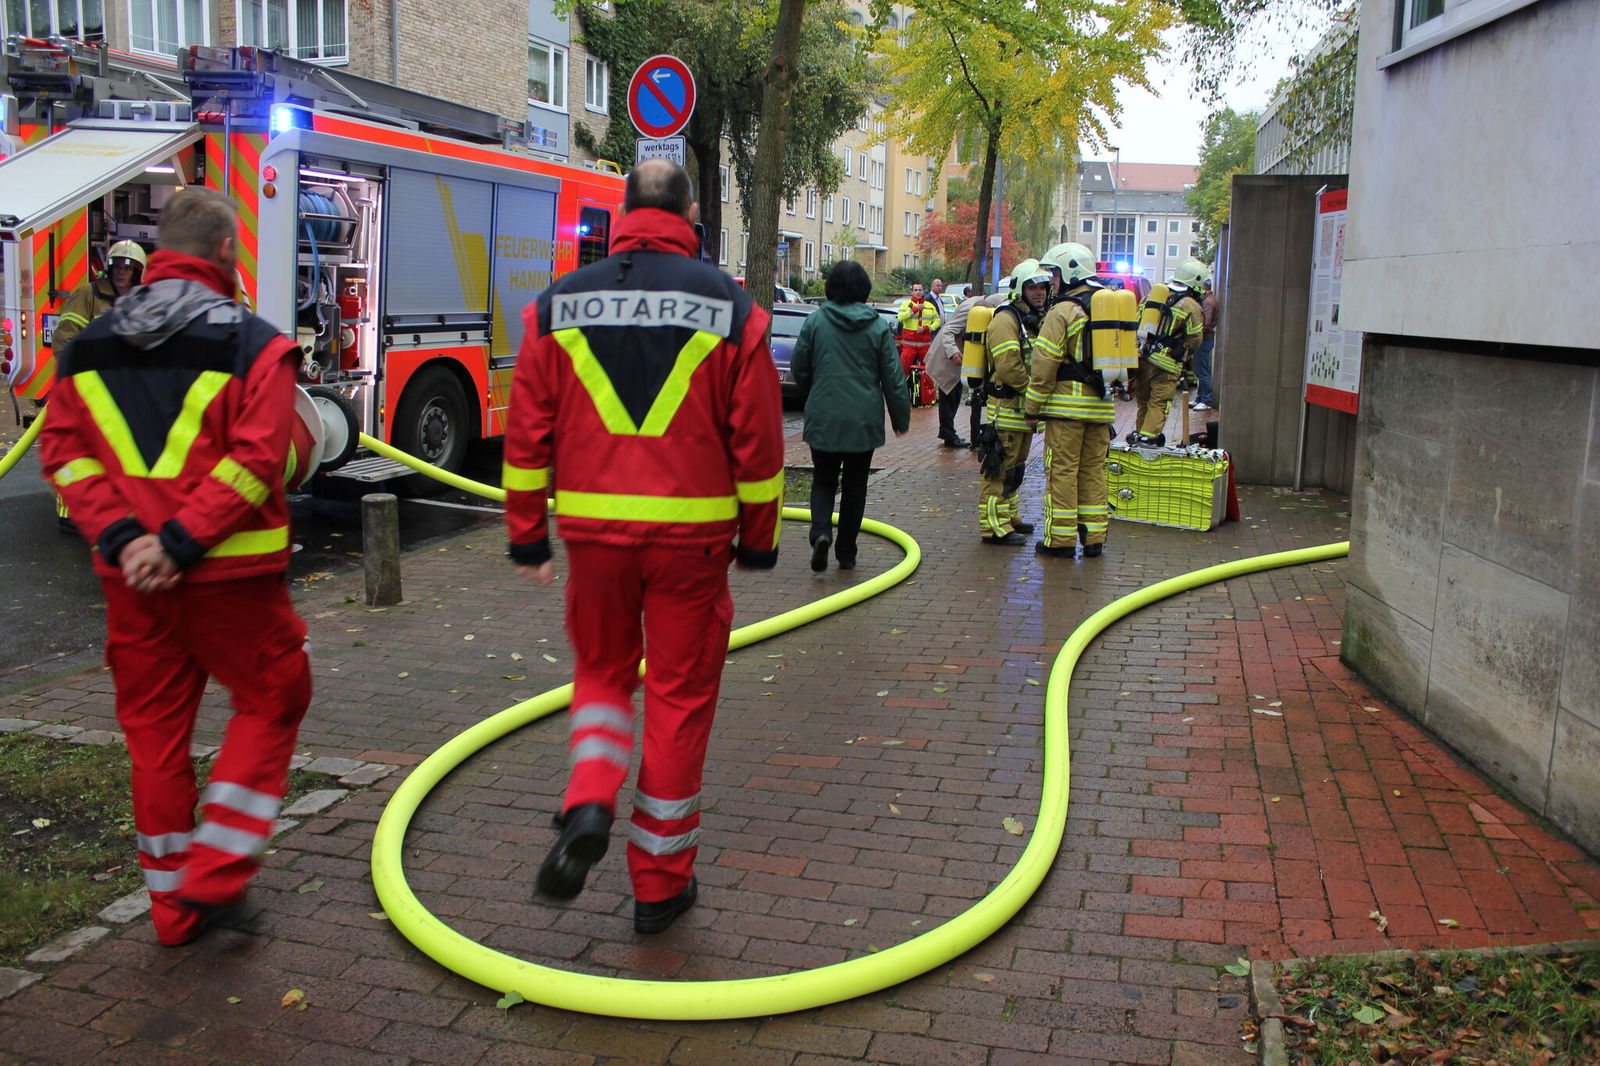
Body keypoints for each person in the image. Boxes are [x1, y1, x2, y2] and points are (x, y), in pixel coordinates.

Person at [502, 158, 784, 935]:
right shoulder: (733, 309)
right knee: (678, 697)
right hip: (692, 544)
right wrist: (757, 541)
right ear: (690, 215)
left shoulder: (554, 308)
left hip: (592, 538)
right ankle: (659, 885)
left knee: (601, 673)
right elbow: (757, 443)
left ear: (622, 212)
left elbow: (526, 438)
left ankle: (590, 797)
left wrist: (527, 534)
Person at [36, 188, 310, 948]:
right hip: (233, 584)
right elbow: (261, 460)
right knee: (275, 698)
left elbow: (63, 453)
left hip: (132, 586)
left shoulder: (87, 346)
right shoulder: (254, 344)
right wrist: (183, 542)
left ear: (157, 253)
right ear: (227, 254)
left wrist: (128, 540)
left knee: (154, 739)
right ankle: (215, 874)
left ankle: (171, 912)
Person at [790, 260, 911, 572]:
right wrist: (900, 418)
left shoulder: (815, 322)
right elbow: (893, 377)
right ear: (864, 288)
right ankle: (846, 552)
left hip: (825, 415)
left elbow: (799, 367)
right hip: (863, 420)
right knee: (856, 486)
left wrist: (813, 393)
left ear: (831, 287)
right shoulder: (877, 327)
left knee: (824, 480)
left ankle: (820, 533)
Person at [1027, 243, 1115, 558]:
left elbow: (1045, 363)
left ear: (1070, 271)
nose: (1051, 280)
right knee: (1093, 470)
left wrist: (1032, 407)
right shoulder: (1106, 305)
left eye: (1053, 273)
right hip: (1102, 408)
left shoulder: (1063, 310)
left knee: (1062, 471)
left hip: (1067, 409)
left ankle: (1060, 541)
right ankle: (1094, 538)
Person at [978, 259, 1050, 545]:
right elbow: (1009, 367)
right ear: (1020, 289)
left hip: (1021, 412)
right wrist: (1034, 393)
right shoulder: (1005, 320)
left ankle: (1009, 518)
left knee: (1016, 470)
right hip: (1006, 410)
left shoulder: (1028, 320)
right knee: (999, 471)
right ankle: (993, 528)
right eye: (1033, 287)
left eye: (1043, 286)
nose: (1040, 292)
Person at [1130, 258, 1204, 446]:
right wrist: (1185, 351)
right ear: (1196, 282)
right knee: (1159, 402)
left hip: (1142, 357)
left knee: (1144, 402)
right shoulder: (1190, 305)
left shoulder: (1151, 297)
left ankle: (1139, 435)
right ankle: (1148, 439)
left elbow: (1137, 324)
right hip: (1167, 364)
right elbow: (1195, 338)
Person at [932, 287, 1004, 448]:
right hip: (949, 356)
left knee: (954, 395)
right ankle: (948, 435)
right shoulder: (973, 310)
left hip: (960, 356)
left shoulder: (981, 307)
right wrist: (954, 353)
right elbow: (948, 331)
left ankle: (948, 433)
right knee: (949, 395)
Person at [51, 239, 147, 354]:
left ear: (136, 273)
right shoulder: (88, 293)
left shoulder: (142, 302)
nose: (121, 272)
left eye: (127, 268)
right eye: (117, 266)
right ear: (110, 269)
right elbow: (64, 337)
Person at [895, 281, 941, 408]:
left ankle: (929, 396)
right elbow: (900, 317)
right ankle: (901, 397)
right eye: (915, 290)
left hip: (924, 344)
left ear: (923, 291)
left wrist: (927, 329)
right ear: (912, 292)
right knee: (903, 371)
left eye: (920, 290)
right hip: (909, 345)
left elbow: (937, 321)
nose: (918, 292)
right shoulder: (906, 304)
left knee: (929, 370)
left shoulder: (930, 306)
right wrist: (914, 309)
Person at [1192, 269, 1219, 412]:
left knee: (1202, 371)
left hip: (1204, 339)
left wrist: (1196, 334)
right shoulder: (1210, 299)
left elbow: (1206, 323)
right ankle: (1200, 397)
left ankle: (1206, 399)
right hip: (1206, 339)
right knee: (1200, 369)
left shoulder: (1207, 302)